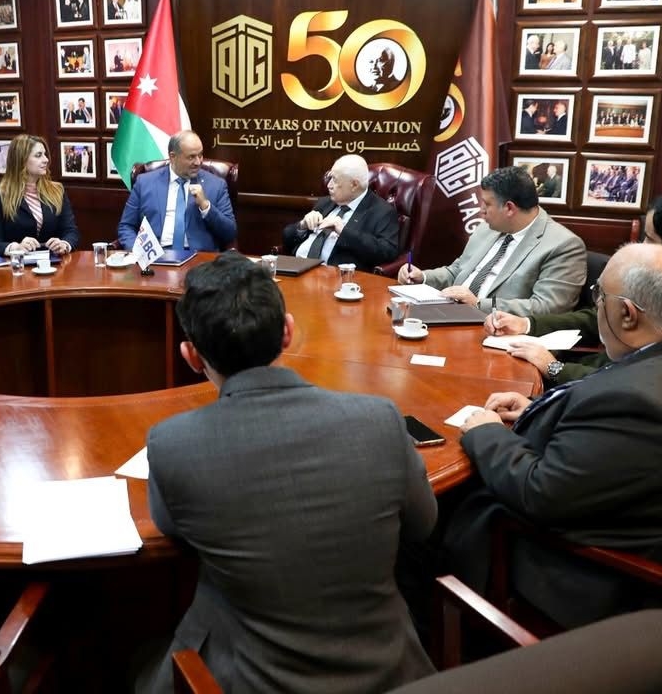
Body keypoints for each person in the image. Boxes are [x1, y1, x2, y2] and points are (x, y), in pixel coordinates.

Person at [136, 253, 436, 693]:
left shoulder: (171, 444)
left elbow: (172, 531)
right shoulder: (380, 419)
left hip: (250, 679)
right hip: (391, 673)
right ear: (288, 332)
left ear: (191, 356)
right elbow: (423, 525)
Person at [446, 243, 662, 629]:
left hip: (579, 575)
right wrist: (537, 409)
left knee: (421, 526)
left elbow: (538, 493)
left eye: (598, 296)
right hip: (638, 518)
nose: (596, 305)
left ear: (627, 314)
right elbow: (620, 452)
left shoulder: (639, 404)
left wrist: (487, 433)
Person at [487, 190, 662, 386]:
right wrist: (527, 324)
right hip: (602, 377)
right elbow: (604, 316)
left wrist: (555, 368)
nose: (640, 246)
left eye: (648, 239)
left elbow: (655, 380)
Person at [397, 166, 585, 316]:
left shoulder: (563, 245)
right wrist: (423, 277)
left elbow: (547, 307)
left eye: (487, 204)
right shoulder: (487, 228)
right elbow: (458, 271)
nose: (481, 210)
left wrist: (479, 304)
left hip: (501, 331)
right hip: (452, 314)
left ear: (509, 208)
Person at [117, 130, 237, 252]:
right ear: (173, 157)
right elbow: (126, 226)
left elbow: (230, 233)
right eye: (191, 157)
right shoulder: (144, 182)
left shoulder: (216, 185)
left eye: (200, 155)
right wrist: (138, 252)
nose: (198, 162)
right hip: (154, 256)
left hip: (199, 258)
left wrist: (206, 206)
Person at [281, 154, 398, 269]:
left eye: (335, 180)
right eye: (330, 178)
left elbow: (387, 252)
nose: (329, 185)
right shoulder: (325, 202)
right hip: (296, 267)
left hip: (332, 275)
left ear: (354, 185)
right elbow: (286, 238)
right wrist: (302, 226)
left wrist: (344, 232)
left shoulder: (382, 212)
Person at [0, 134, 78, 256]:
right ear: (21, 160)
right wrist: (16, 247)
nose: (46, 160)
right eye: (38, 155)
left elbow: (71, 231)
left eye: (45, 154)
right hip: (17, 264)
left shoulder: (57, 190)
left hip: (52, 262)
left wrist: (64, 244)